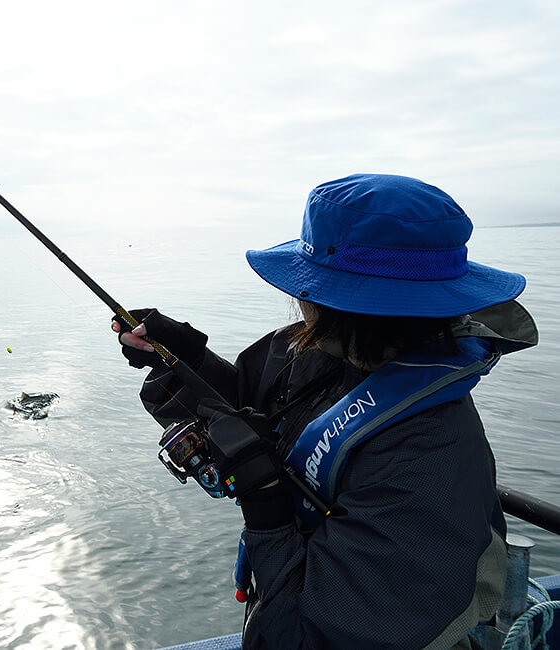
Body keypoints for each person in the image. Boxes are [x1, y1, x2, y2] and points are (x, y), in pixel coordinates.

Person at [111, 173, 538, 649]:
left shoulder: (429, 456)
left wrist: (267, 509)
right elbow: (252, 408)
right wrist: (180, 358)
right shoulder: (326, 351)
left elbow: (309, 639)